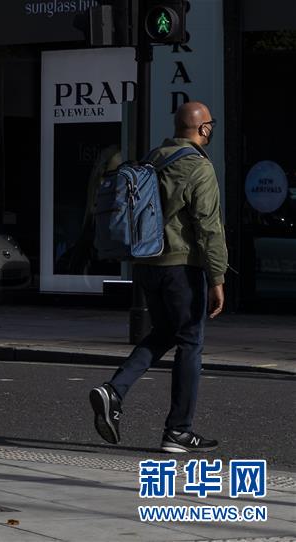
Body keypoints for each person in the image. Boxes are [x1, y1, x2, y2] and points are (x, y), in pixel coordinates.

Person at [89, 101, 228, 453]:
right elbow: (209, 228)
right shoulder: (198, 167)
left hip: (147, 265)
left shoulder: (154, 157)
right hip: (181, 267)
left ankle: (114, 390)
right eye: (210, 124)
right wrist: (217, 277)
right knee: (190, 343)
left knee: (164, 332)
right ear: (204, 129)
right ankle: (178, 430)